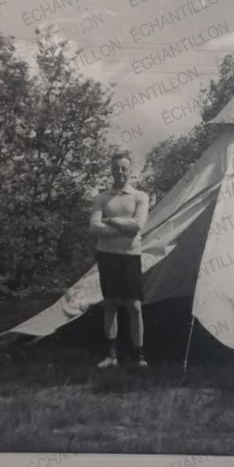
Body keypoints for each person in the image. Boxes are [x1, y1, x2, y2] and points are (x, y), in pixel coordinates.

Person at [88, 150, 150, 368]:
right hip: (107, 256)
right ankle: (111, 355)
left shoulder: (140, 197)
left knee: (134, 306)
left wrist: (111, 220)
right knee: (111, 304)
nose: (120, 172)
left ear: (130, 170)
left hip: (130, 256)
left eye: (124, 168)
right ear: (111, 170)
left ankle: (139, 354)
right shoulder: (101, 198)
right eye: (116, 168)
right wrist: (124, 228)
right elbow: (94, 227)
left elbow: (137, 226)